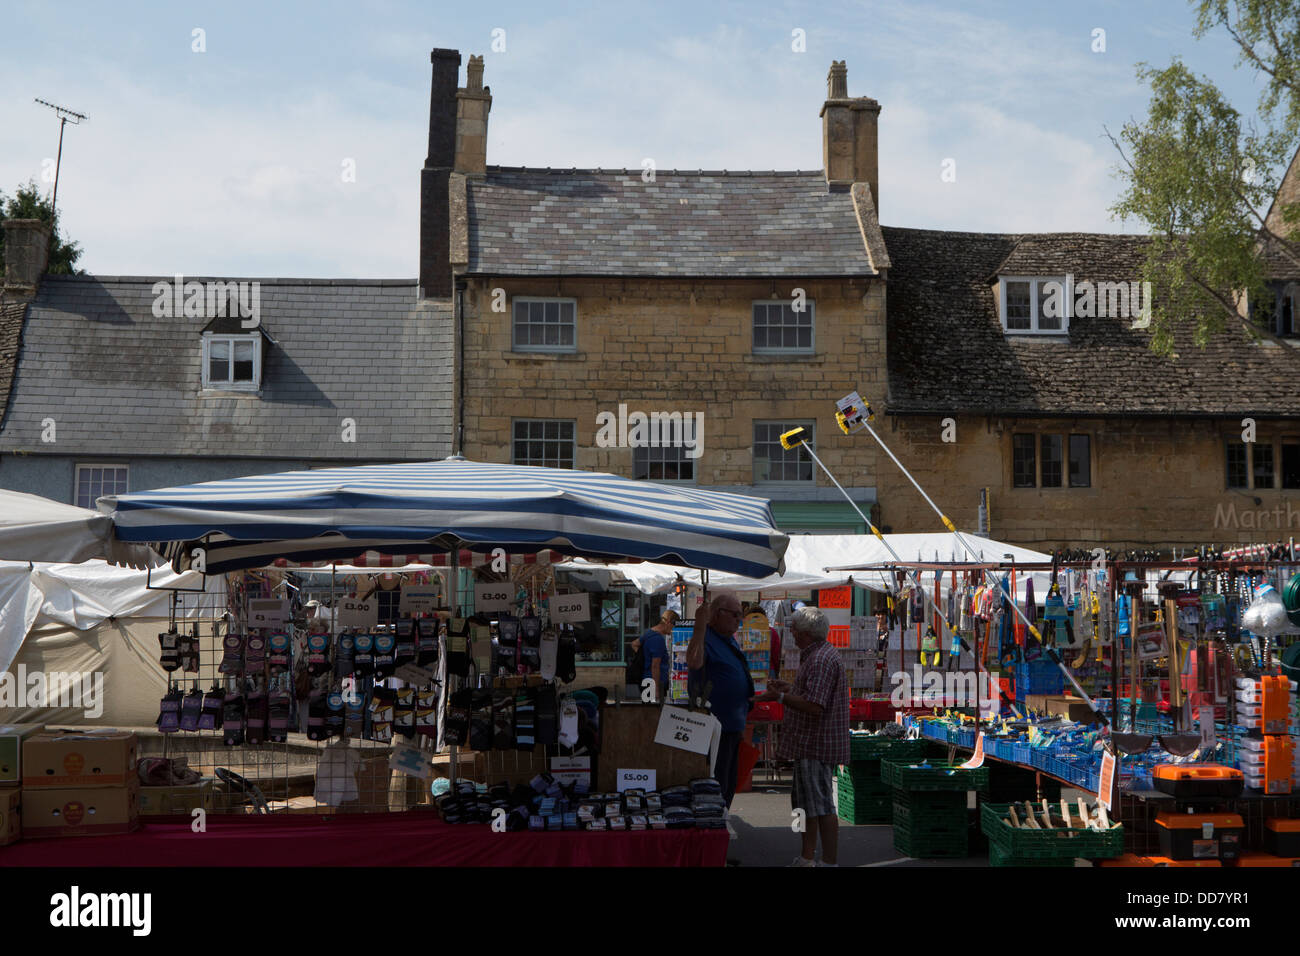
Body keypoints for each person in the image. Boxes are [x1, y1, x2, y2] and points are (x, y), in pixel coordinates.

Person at [756, 605, 849, 867]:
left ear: (807, 632)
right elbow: (811, 694)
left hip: (816, 743)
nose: (792, 634)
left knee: (820, 806)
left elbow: (815, 705)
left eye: (795, 629)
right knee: (808, 804)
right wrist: (789, 689)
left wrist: (782, 696)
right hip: (810, 742)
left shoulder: (820, 659)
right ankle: (808, 857)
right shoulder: (818, 655)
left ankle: (828, 862)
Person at [686, 592, 753, 808]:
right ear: (717, 614)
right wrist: (699, 625)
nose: (738, 619)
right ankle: (714, 829)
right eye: (734, 614)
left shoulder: (728, 641)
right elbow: (694, 662)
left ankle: (720, 826)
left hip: (731, 727)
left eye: (739, 615)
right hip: (714, 728)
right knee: (716, 785)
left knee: (728, 784)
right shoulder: (706, 637)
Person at [639, 609, 679, 702]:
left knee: (650, 713)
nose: (674, 629)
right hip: (652, 684)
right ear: (668, 623)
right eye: (674, 625)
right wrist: (656, 690)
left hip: (648, 681)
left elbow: (634, 644)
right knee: (653, 714)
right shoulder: (658, 639)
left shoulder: (650, 633)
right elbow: (655, 666)